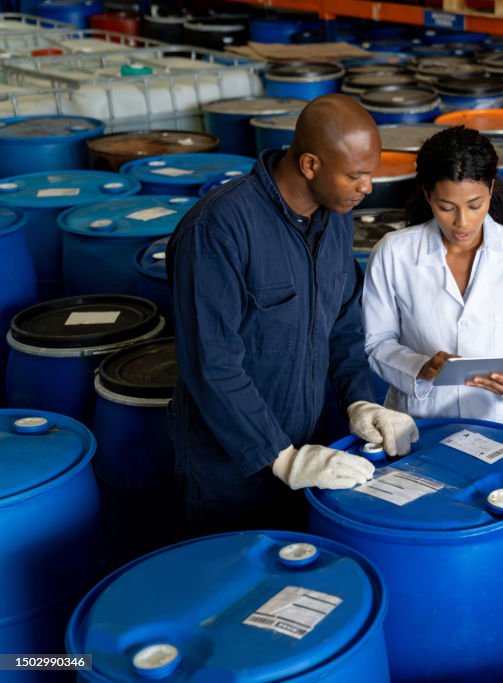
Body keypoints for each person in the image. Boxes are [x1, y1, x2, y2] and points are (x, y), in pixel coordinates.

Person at [167, 94, 418, 537]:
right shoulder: (218, 231)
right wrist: (280, 457)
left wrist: (361, 401)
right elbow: (212, 364)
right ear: (309, 165)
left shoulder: (335, 220)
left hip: (315, 450)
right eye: (356, 175)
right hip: (232, 468)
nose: (368, 188)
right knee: (234, 588)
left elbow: (343, 326)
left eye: (371, 173)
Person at [361, 126, 503, 431]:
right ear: (427, 195)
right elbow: (377, 342)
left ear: (491, 190)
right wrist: (421, 367)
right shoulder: (393, 253)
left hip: (500, 422)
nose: (462, 222)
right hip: (418, 422)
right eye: (446, 207)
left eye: (474, 205)